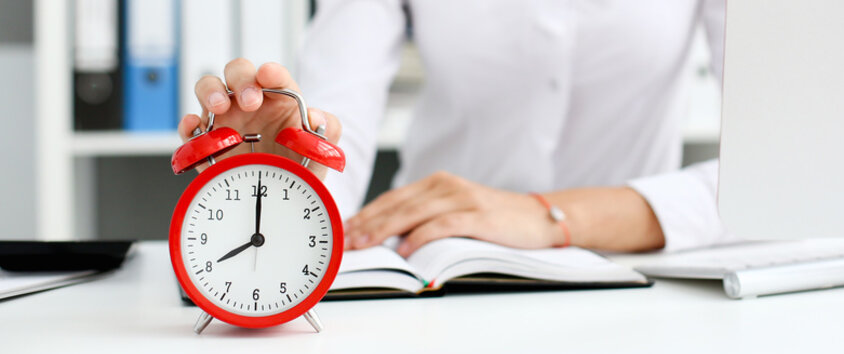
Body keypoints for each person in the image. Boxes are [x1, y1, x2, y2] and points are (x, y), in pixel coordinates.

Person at [177, 0, 727, 257]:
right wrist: (285, 179)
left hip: (642, 278)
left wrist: (549, 215)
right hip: (433, 265)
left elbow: (790, 170)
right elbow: (335, 119)